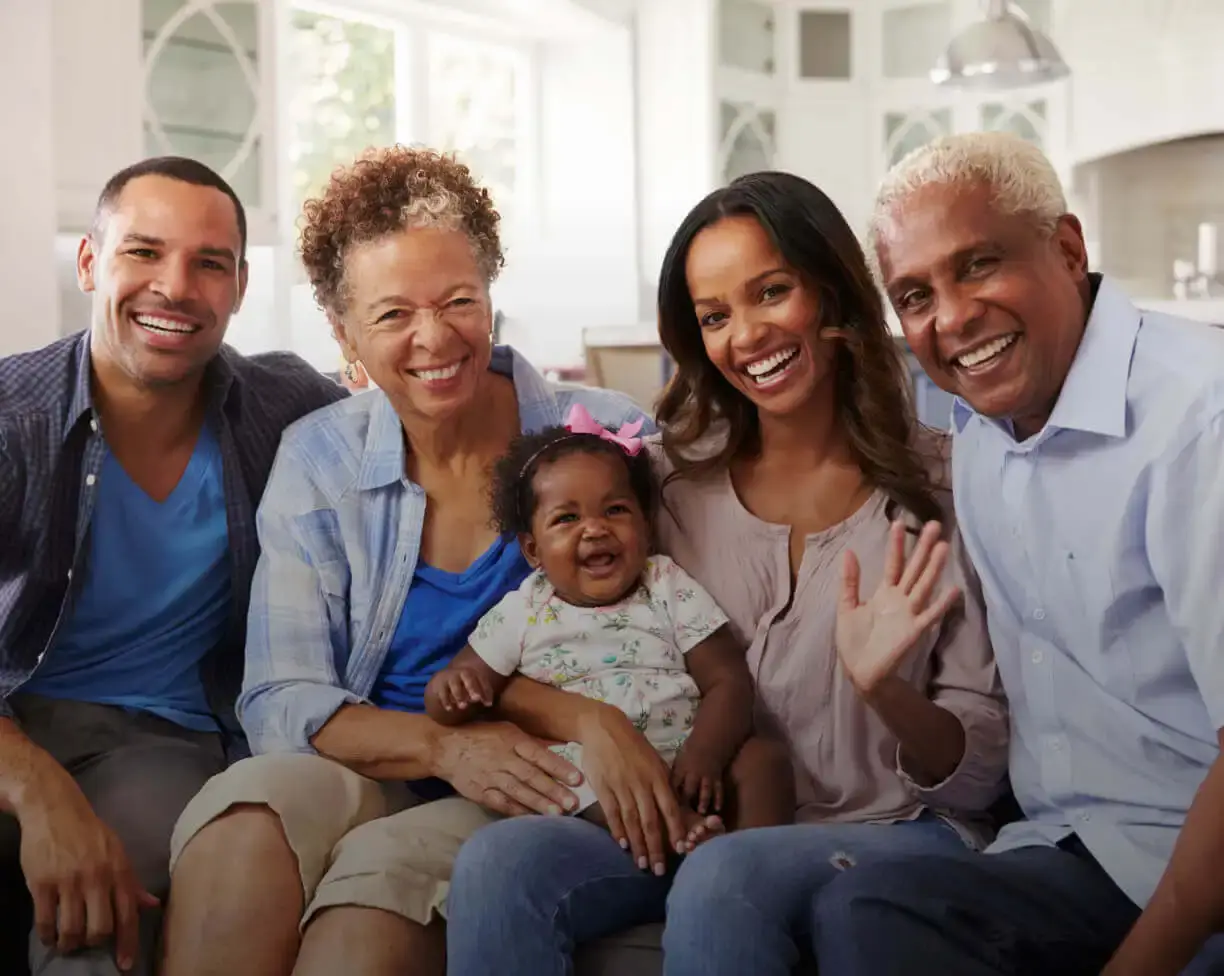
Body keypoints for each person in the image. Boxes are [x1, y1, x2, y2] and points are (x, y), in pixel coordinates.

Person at [443, 171, 1009, 976]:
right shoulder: (663, 488)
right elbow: (552, 632)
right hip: (700, 823)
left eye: (771, 291)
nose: (746, 336)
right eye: (715, 316)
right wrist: (586, 721)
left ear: (832, 290)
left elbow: (976, 773)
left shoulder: (950, 488)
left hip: (892, 831)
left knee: (724, 874)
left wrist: (886, 690)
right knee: (501, 863)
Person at [158, 146, 659, 976]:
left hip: (540, 780)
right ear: (344, 331)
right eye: (392, 315)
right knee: (246, 818)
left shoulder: (605, 440)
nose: (435, 337)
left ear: (491, 295)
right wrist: (442, 747)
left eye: (459, 300)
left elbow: (676, 632)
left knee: (372, 896)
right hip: (377, 760)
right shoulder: (320, 459)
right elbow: (281, 697)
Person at [808, 131, 1224, 976]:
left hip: (1190, 868)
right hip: (1070, 853)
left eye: (978, 264)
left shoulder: (1199, 419)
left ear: (1067, 249)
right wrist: (884, 689)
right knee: (860, 908)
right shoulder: (983, 443)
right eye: (915, 294)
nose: (953, 317)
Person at [0, 157, 347, 976]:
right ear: (91, 263)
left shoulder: (284, 409)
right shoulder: (13, 420)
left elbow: (427, 421)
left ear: (238, 285)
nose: (176, 286)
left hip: (155, 740)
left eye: (209, 263)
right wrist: (39, 790)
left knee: (97, 930)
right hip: (13, 721)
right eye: (143, 253)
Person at [424, 406, 794, 848]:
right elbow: (459, 692)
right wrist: (451, 690)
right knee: (562, 777)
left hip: (689, 759)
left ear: (645, 526)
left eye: (615, 510)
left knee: (763, 758)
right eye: (567, 518)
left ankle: (753, 865)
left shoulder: (665, 583)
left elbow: (728, 680)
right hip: (595, 768)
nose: (595, 529)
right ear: (532, 550)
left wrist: (706, 753)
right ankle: (674, 829)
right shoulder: (522, 610)